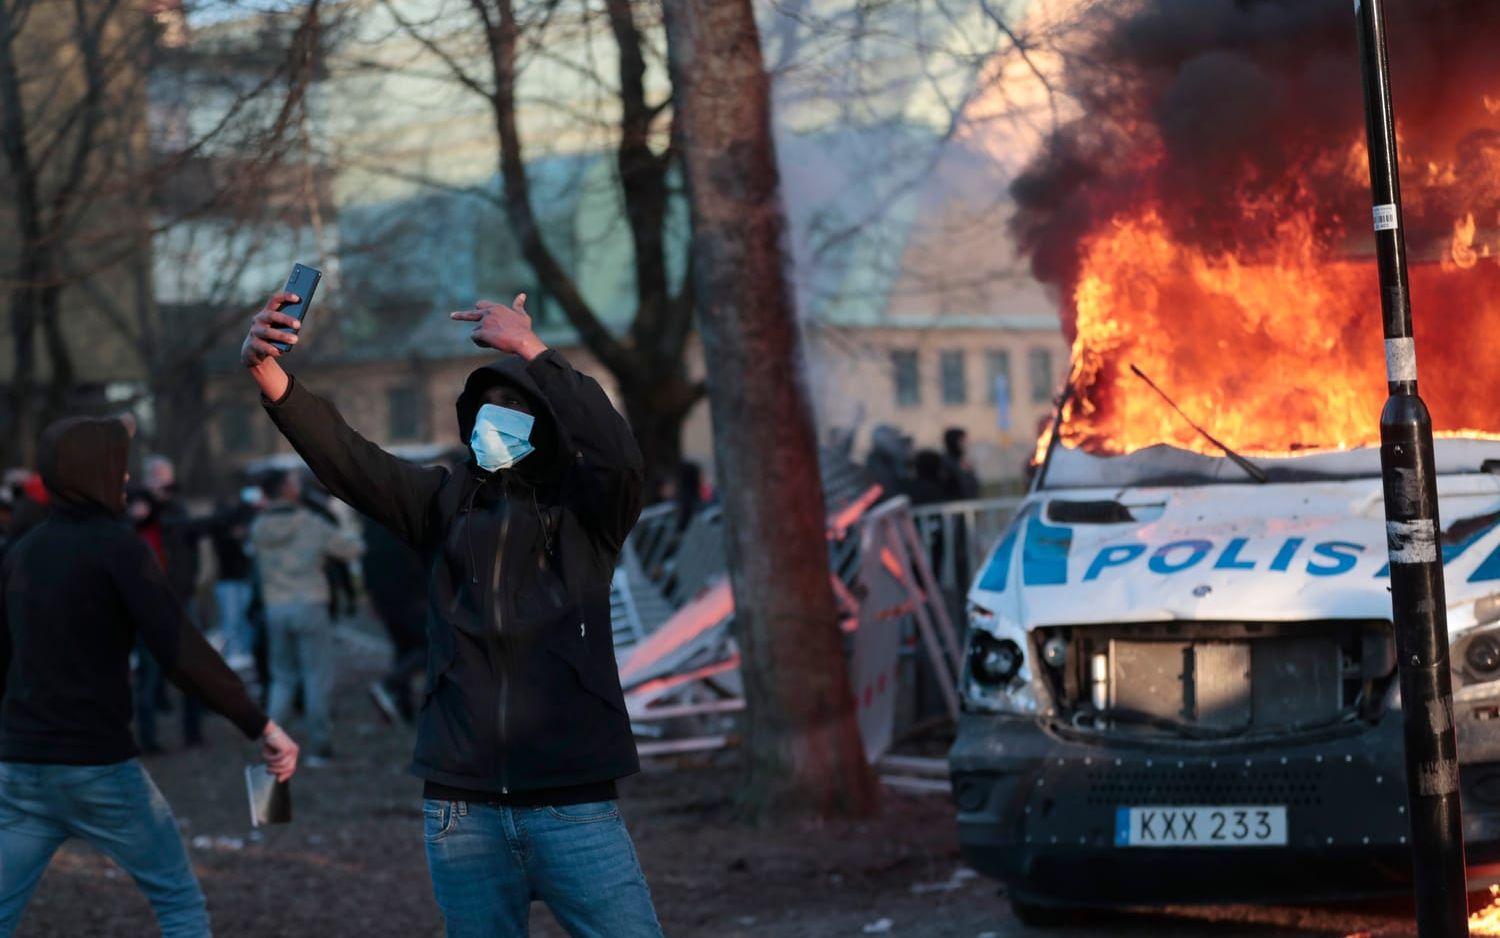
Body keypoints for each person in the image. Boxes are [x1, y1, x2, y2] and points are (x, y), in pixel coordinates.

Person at [242, 289, 662, 937]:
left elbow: (618, 453)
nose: (498, 421)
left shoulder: (589, 513)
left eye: (517, 410)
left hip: (573, 804)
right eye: (486, 410)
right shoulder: (441, 504)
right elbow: (349, 459)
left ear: (547, 425)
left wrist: (533, 349)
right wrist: (270, 377)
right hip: (460, 811)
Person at [0, 415, 299, 937]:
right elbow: (181, 651)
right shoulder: (117, 547)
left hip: (22, 767)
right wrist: (261, 725)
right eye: (118, 466)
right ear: (94, 472)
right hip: (97, 766)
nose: (125, 479)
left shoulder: (20, 553)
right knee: (178, 900)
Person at [249, 469, 362, 767]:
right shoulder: (309, 522)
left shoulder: (259, 527)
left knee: (281, 679)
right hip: (310, 604)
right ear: (287, 489)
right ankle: (319, 747)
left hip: (275, 608)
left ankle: (272, 742)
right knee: (315, 677)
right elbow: (349, 549)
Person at [130, 456, 208, 750]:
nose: (163, 484)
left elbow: (191, 548)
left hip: (181, 599)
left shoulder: (178, 510)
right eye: (158, 478)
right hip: (147, 605)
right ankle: (148, 738)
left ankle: (193, 731)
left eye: (167, 477)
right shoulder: (135, 512)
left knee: (193, 670)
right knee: (149, 677)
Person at [210, 486, 262, 673]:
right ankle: (235, 654)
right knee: (232, 620)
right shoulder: (223, 530)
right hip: (230, 580)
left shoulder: (243, 526)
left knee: (243, 619)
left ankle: (244, 653)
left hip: (239, 578)